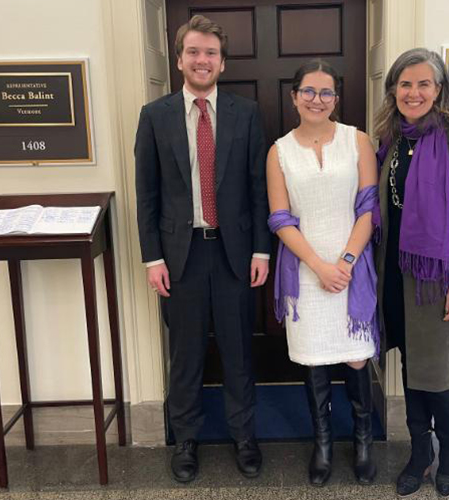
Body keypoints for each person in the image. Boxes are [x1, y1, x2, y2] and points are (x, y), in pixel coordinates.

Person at [134, 15, 270, 483]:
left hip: (233, 255)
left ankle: (244, 435)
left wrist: (261, 251)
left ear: (222, 62)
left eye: (210, 52)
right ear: (179, 60)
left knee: (238, 353)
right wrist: (152, 258)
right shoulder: (154, 117)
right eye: (193, 51)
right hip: (180, 257)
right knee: (186, 355)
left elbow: (258, 188)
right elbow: (146, 194)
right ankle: (186, 439)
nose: (202, 60)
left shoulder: (246, 113)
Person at [373, 48, 449, 498]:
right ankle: (420, 455)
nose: (413, 92)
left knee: (438, 374)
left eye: (423, 84)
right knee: (412, 367)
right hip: (397, 276)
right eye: (405, 84)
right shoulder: (389, 139)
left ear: (438, 90)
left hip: (438, 279)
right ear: (393, 90)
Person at [266, 59, 380, 486]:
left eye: (326, 92)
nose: (317, 100)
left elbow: (369, 207)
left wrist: (345, 263)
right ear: (294, 97)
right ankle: (324, 443)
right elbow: (280, 218)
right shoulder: (279, 151)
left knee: (356, 357)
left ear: (337, 98)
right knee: (314, 360)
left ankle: (364, 440)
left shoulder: (357, 141)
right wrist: (318, 266)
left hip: (353, 268)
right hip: (306, 271)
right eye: (308, 92)